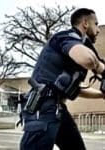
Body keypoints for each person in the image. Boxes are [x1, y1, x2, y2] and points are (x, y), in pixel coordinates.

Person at [20, 8, 105, 150]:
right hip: (43, 107)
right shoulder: (65, 37)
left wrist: (102, 95)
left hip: (58, 108)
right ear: (85, 23)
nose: (98, 30)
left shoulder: (78, 50)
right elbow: (88, 60)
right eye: (96, 24)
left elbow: (75, 90)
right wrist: (102, 69)